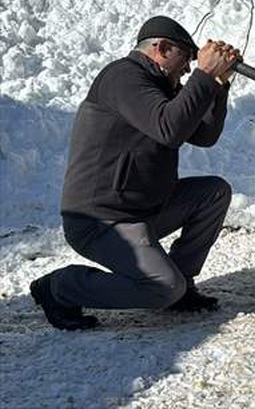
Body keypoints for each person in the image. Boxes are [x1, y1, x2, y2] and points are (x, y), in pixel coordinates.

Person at [30, 16, 241, 330]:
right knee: (162, 287)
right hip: (101, 221)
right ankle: (61, 287)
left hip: (143, 213)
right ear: (161, 48)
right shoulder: (123, 78)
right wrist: (204, 75)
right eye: (185, 57)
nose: (187, 68)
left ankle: (182, 283)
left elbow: (203, 136)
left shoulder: (161, 86)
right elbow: (168, 128)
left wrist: (218, 85)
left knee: (213, 193)